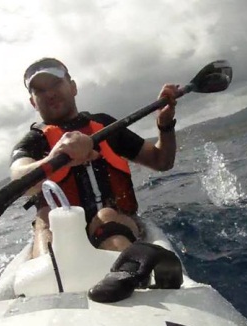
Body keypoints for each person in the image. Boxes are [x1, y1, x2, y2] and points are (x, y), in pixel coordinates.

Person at [10, 57, 181, 262]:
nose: (50, 94)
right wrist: (55, 157)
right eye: (39, 90)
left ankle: (129, 273)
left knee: (107, 215)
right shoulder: (32, 142)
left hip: (117, 224)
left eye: (56, 84)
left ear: (73, 87)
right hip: (60, 234)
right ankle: (49, 277)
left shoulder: (105, 126)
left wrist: (165, 125)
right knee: (46, 219)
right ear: (32, 102)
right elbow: (19, 179)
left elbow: (161, 161)